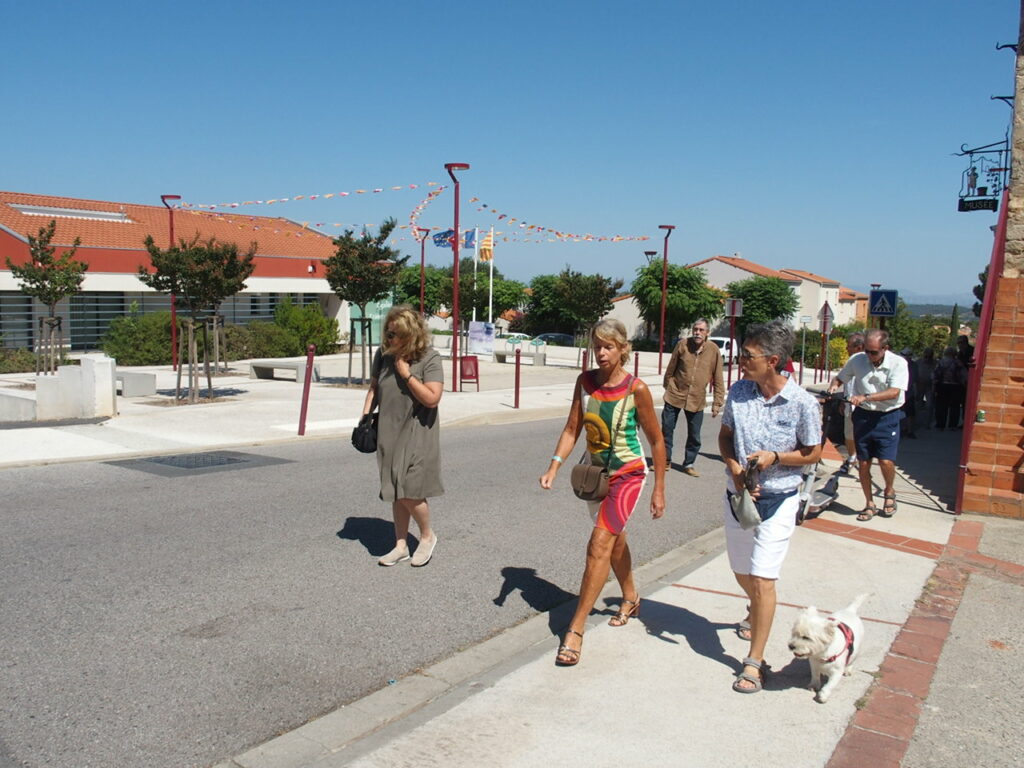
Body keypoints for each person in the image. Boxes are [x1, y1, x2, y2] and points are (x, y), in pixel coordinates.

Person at [539, 319, 666, 666]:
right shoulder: (585, 383)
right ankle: (631, 596)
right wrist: (554, 467)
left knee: (599, 544)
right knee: (614, 540)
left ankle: (575, 629)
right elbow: (572, 428)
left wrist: (659, 489)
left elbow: (656, 441)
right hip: (596, 476)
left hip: (628, 475)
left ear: (623, 349)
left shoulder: (636, 389)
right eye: (597, 346)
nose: (601, 353)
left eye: (609, 346)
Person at [718, 320, 822, 693]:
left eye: (748, 356)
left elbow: (813, 452)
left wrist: (775, 457)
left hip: (780, 499)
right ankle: (756, 608)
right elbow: (725, 436)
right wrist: (733, 466)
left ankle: (754, 662)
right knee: (741, 571)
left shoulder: (802, 403)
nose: (741, 361)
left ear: (773, 360)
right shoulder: (739, 392)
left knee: (763, 579)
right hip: (740, 499)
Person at [362, 305, 444, 567]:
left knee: (409, 489)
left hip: (418, 431)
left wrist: (406, 373)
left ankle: (427, 536)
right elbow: (374, 389)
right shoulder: (383, 355)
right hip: (389, 431)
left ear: (411, 335)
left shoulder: (430, 358)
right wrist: (364, 420)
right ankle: (400, 545)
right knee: (395, 489)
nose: (390, 339)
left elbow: (432, 398)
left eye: (395, 334)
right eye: (388, 333)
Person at [828, 329, 910, 521]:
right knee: (863, 462)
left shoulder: (898, 363)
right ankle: (869, 503)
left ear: (885, 348)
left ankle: (889, 491)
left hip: (887, 416)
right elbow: (841, 377)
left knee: (885, 461)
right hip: (864, 415)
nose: (869, 356)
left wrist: (865, 397)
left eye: (873, 352)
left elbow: (894, 392)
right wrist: (834, 385)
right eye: (866, 351)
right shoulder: (858, 360)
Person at [662, 318, 725, 476]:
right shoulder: (682, 345)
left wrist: (717, 403)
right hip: (675, 394)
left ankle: (689, 463)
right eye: (695, 329)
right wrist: (667, 386)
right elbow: (671, 368)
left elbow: (718, 378)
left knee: (694, 435)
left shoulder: (713, 350)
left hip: (697, 399)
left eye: (701, 330)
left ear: (707, 332)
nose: (697, 333)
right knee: (666, 429)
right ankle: (665, 460)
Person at [838, 332, 865, 475]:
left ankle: (862, 462)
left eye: (849, 346)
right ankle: (852, 457)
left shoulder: (866, 362)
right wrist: (843, 400)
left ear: (858, 347)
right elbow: (845, 381)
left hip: (862, 406)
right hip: (849, 404)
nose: (846, 348)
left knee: (862, 436)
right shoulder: (850, 362)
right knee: (848, 434)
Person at [933, 346, 967, 431]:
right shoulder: (958, 362)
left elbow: (935, 374)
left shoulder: (941, 362)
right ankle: (952, 425)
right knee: (955, 406)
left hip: (942, 386)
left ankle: (940, 424)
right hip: (955, 386)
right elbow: (963, 374)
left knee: (941, 406)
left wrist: (935, 384)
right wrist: (963, 383)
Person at [916, 347, 937, 429]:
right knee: (918, 404)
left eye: (929, 356)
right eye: (926, 356)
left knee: (929, 405)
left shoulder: (935, 363)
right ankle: (917, 422)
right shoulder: (918, 362)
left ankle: (928, 423)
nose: (927, 358)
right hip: (919, 385)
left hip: (930, 386)